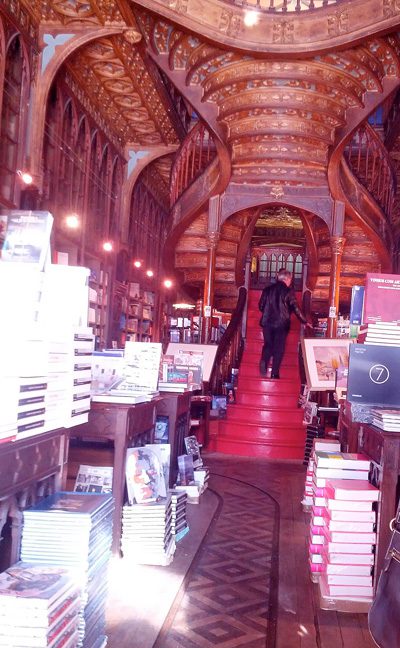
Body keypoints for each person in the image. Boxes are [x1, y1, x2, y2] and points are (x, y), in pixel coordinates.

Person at [258, 268, 312, 378]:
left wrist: (269, 312)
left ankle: (264, 360)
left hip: (267, 322)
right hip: (281, 325)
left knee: (268, 344)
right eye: (290, 279)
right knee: (279, 347)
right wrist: (304, 321)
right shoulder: (288, 292)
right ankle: (274, 373)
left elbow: (261, 306)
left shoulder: (267, 290)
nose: (290, 281)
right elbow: (296, 308)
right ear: (287, 279)